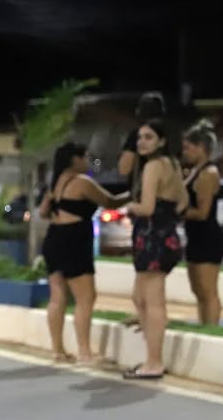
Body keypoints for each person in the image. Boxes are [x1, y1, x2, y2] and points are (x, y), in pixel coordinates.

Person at [38, 143, 129, 364]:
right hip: (74, 240)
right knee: (86, 297)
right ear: (74, 160)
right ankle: (84, 352)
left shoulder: (55, 183)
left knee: (57, 296)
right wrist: (135, 194)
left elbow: (43, 212)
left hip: (54, 237)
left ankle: (57, 350)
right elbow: (110, 202)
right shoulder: (81, 182)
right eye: (85, 157)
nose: (88, 161)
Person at [124, 120, 188, 380]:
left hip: (151, 238)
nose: (141, 142)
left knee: (153, 302)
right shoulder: (173, 166)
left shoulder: (152, 166)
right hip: (165, 236)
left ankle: (154, 362)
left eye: (148, 137)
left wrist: (130, 207)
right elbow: (183, 202)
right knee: (139, 299)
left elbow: (147, 207)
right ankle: (152, 357)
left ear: (161, 141)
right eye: (139, 137)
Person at [181, 120, 223, 326]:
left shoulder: (208, 173)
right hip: (195, 236)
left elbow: (202, 212)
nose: (185, 152)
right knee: (198, 290)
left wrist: (177, 212)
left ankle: (212, 329)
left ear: (201, 148)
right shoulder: (192, 171)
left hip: (208, 237)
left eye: (188, 147)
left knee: (208, 291)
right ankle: (204, 325)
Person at [118, 92, 165, 190]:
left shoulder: (138, 134)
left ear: (139, 112)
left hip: (144, 193)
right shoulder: (172, 134)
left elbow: (124, 169)